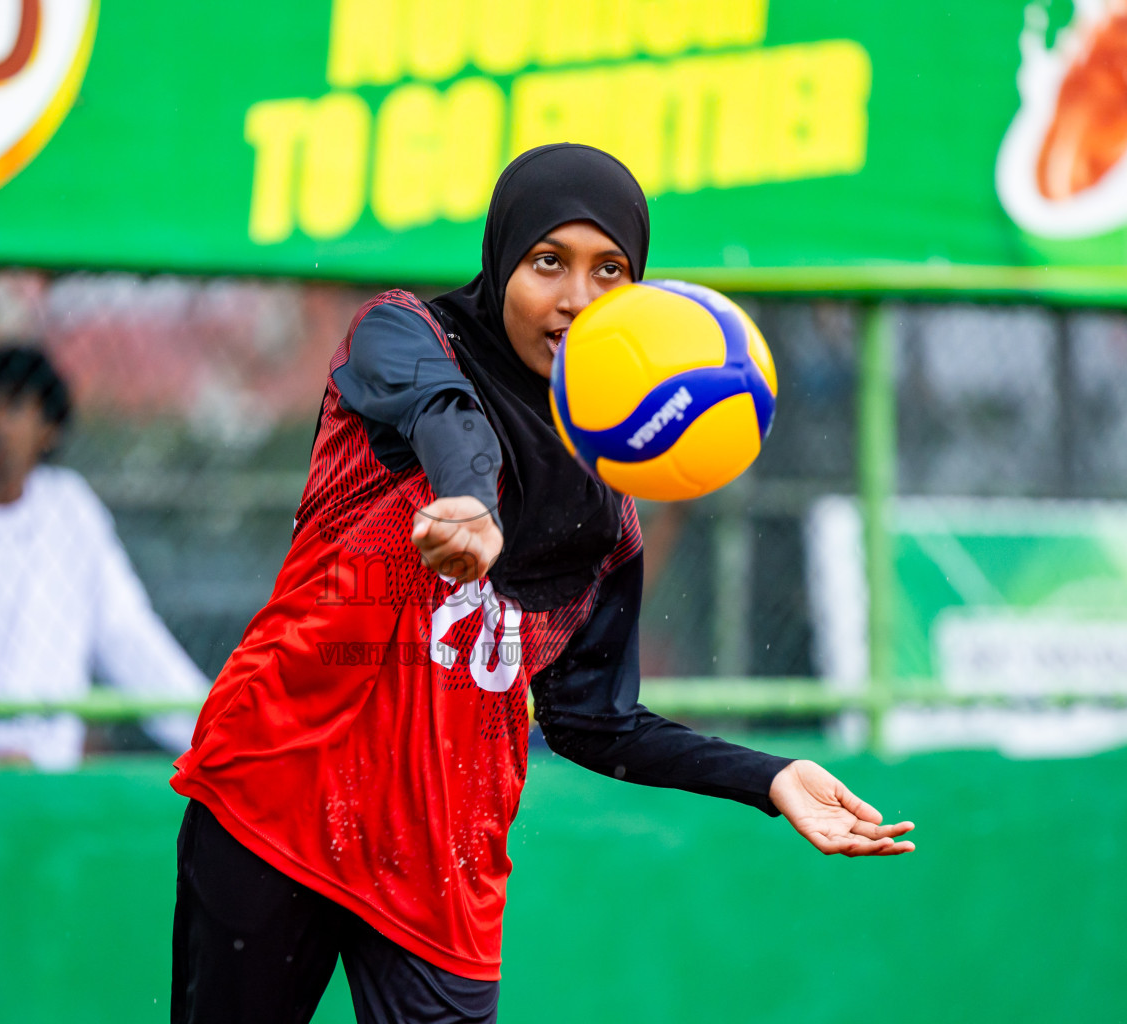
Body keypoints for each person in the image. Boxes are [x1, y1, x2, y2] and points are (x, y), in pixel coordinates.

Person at [169, 144, 917, 1023]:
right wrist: (472, 504)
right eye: (548, 263)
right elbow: (446, 416)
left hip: (444, 860)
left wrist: (771, 776)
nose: (577, 300)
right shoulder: (402, 334)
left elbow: (596, 722)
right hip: (282, 794)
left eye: (611, 271)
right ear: (501, 261)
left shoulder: (610, 516)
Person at [0, 346, 208, 771]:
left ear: (48, 429)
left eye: (13, 408)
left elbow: (128, 635)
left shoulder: (70, 510)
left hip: (46, 771)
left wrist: (212, 729)